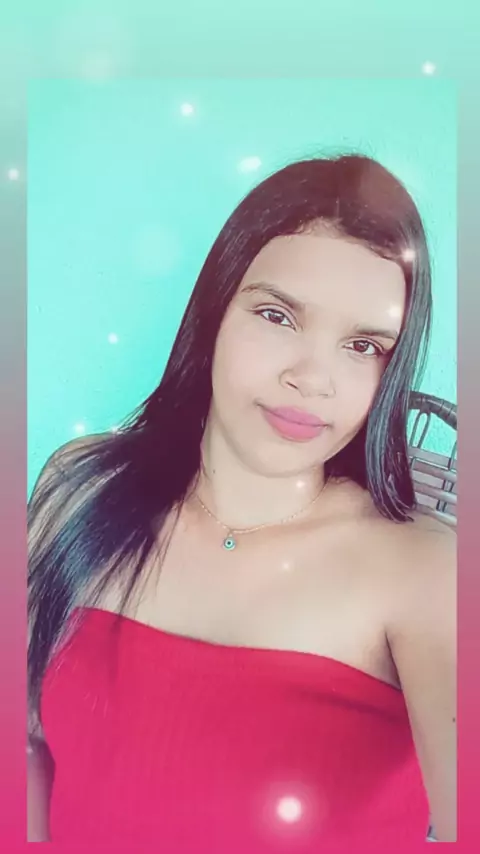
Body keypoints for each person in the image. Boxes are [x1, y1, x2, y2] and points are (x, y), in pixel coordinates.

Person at [27, 153, 456, 847]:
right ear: (214, 313)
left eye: (363, 345)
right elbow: (25, 743)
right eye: (278, 315)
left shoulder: (427, 570)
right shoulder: (80, 487)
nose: (312, 378)